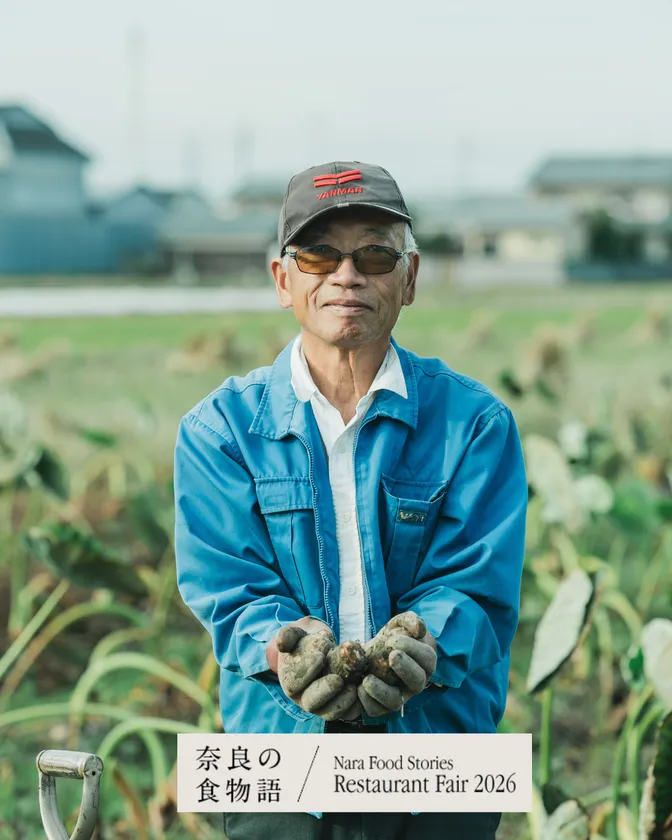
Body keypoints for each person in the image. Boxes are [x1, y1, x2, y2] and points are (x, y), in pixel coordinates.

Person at [174, 161, 528, 840]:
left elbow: (477, 592)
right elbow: (232, 593)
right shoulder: (218, 431)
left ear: (410, 278)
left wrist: (425, 642)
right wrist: (286, 648)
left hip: (437, 759)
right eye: (319, 254)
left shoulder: (475, 423)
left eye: (374, 253)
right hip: (280, 760)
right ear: (285, 280)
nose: (347, 274)